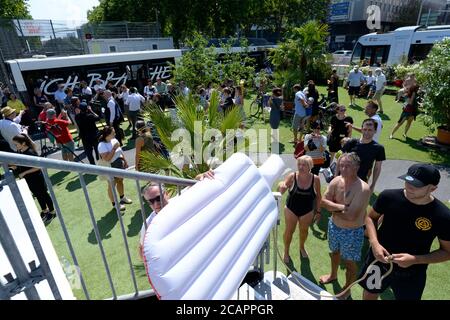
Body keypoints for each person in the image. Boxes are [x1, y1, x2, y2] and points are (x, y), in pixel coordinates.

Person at [360, 164, 450, 300]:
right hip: (378, 261)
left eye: (417, 185)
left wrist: (415, 260)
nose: (409, 187)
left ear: (433, 188)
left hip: (412, 272)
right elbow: (371, 218)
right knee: (370, 294)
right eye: (407, 181)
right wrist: (375, 244)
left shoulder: (442, 215)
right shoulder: (388, 197)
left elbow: (447, 252)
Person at [319, 152, 371, 299]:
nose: (343, 168)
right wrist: (342, 207)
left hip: (352, 232)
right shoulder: (336, 181)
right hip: (334, 226)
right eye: (341, 165)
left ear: (357, 167)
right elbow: (323, 202)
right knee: (334, 252)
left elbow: (351, 216)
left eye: (347, 165)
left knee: (349, 263)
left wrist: (332, 207)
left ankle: (347, 289)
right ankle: (333, 275)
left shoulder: (363, 188)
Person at [278, 155, 322, 261]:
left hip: (307, 211)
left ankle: (302, 247)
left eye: (304, 165)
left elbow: (319, 196)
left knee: (304, 231)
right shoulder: (292, 176)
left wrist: (319, 211)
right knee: (289, 231)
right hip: (291, 209)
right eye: (299, 164)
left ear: (310, 166)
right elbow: (282, 188)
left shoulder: (315, 179)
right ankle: (286, 251)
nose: (301, 167)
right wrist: (281, 186)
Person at [11, 134, 56, 224]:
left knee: (44, 194)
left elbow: (38, 167)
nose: (15, 146)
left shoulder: (30, 153)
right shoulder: (20, 151)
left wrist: (24, 173)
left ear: (23, 143)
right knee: (37, 195)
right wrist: (15, 167)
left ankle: (52, 212)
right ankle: (45, 210)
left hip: (36, 178)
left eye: (16, 144)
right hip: (29, 179)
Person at [341, 118, 386, 192]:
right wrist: (336, 176)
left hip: (361, 183)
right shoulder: (351, 142)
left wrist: (373, 184)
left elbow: (377, 168)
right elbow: (340, 159)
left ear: (375, 131)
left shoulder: (379, 148)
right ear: (361, 129)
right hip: (343, 179)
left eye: (370, 130)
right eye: (365, 129)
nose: (367, 132)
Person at [97, 126, 132, 211]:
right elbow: (107, 159)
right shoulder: (101, 145)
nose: (115, 134)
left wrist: (125, 161)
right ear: (108, 135)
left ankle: (122, 197)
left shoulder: (114, 140)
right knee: (112, 185)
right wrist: (114, 148)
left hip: (119, 164)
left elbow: (120, 151)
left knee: (120, 181)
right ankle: (115, 204)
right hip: (110, 167)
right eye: (113, 133)